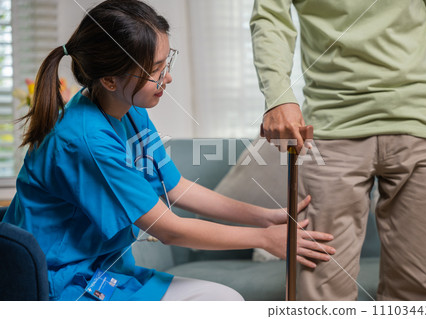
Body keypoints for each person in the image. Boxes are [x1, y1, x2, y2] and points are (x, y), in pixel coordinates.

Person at [3, 0, 335, 301]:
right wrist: (265, 239)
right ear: (109, 80)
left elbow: (175, 188)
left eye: (166, 62)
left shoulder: (127, 109)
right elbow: (169, 230)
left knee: (222, 299)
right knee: (222, 303)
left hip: (104, 271)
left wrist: (265, 217)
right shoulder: (85, 141)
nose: (168, 78)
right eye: (154, 71)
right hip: (62, 285)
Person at [251, 0, 426, 301]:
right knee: (322, 290)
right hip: (331, 126)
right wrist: (278, 97)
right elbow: (270, 17)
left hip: (418, 119)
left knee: (415, 292)